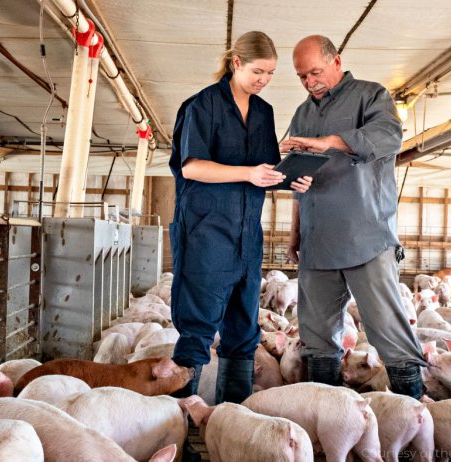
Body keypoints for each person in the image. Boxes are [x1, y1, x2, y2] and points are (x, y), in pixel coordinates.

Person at [168, 31, 311, 404]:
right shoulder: (201, 106)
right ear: (236, 63)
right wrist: (248, 173)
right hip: (206, 233)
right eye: (258, 71)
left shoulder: (263, 112)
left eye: (270, 74)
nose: (264, 80)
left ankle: (233, 418)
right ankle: (178, 422)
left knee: (244, 328)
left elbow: (263, 169)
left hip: (247, 235)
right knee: (197, 329)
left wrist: (293, 176)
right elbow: (193, 168)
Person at [280, 35, 427, 398]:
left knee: (387, 328)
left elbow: (389, 137)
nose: (310, 82)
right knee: (314, 334)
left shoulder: (370, 95)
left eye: (315, 72)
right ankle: (328, 418)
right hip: (317, 239)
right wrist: (296, 232)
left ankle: (412, 415)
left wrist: (331, 142)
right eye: (302, 76)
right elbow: (299, 176)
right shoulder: (302, 113)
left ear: (336, 61)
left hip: (365, 235)